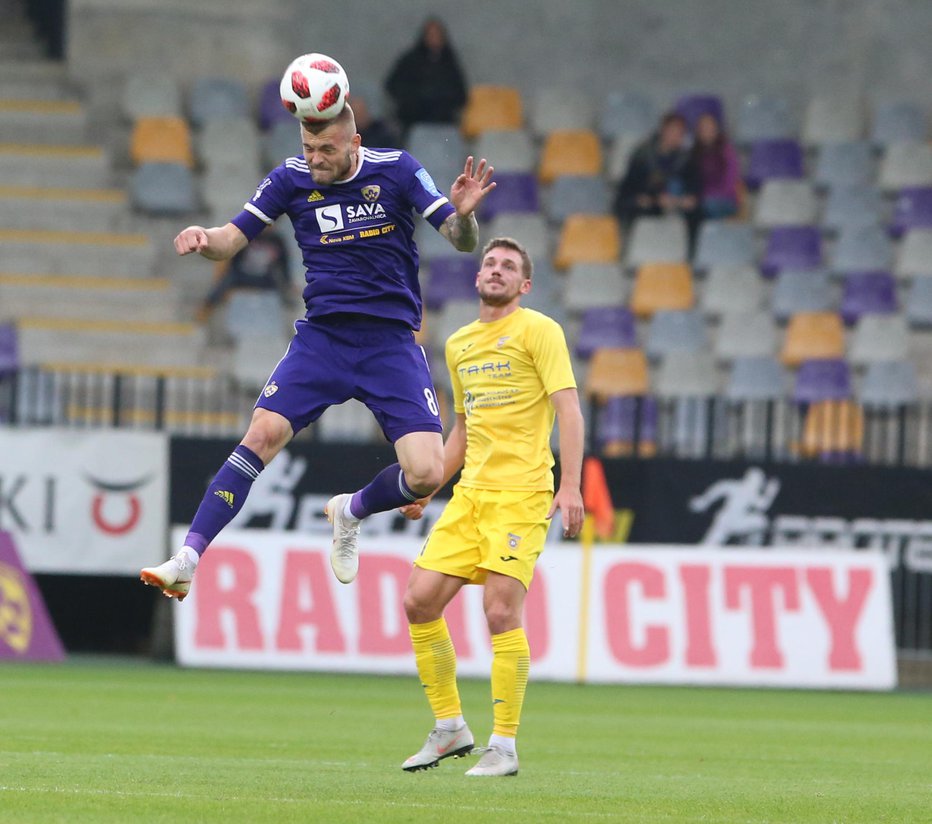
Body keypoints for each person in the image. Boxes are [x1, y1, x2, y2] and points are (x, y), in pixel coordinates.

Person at [140, 101, 496, 600]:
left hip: (389, 344)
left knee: (426, 473)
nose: (315, 159)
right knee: (262, 433)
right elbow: (230, 239)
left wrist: (466, 218)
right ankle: (188, 557)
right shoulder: (289, 178)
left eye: (326, 149)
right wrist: (206, 239)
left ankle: (349, 512)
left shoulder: (397, 169)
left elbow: (460, 240)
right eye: (308, 148)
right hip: (323, 339)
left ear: (354, 144)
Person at [397, 237, 585, 777]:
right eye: (489, 263)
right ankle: (450, 727)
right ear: (477, 277)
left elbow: (568, 410)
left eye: (508, 267)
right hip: (470, 496)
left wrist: (568, 486)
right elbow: (463, 427)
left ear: (524, 285)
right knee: (419, 601)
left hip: (522, 495)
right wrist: (431, 485)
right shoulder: (459, 343)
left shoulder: (539, 330)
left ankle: (504, 745)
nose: (496, 270)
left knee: (501, 612)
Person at [612, 111, 701, 246]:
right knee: (640, 209)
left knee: (698, 213)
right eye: (673, 131)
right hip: (647, 203)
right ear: (663, 130)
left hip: (675, 203)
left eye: (680, 133)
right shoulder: (643, 155)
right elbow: (627, 189)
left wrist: (683, 199)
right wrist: (648, 199)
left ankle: (689, 254)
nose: (676, 136)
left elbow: (693, 189)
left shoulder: (686, 159)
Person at [384, 17, 468, 135]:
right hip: (413, 120)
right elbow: (392, 85)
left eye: (437, 34)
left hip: (443, 121)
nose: (434, 38)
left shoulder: (449, 62)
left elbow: (461, 95)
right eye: (430, 34)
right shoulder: (410, 60)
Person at [195, 227, 294, 322]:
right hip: (242, 274)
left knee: (281, 286)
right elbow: (233, 259)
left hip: (264, 277)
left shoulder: (277, 240)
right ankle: (206, 307)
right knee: (226, 281)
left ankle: (289, 314)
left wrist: (288, 282)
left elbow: (284, 263)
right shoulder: (247, 237)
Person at [691, 112, 740, 219]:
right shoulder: (694, 153)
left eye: (710, 127)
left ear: (717, 129)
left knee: (710, 206)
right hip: (702, 199)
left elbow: (731, 178)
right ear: (698, 131)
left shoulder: (726, 150)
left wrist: (716, 196)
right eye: (703, 128)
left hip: (725, 199)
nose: (707, 131)